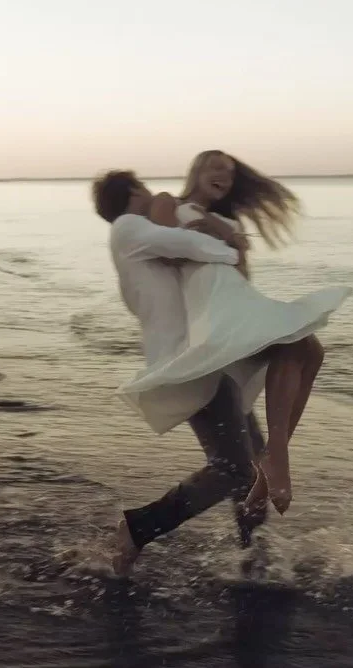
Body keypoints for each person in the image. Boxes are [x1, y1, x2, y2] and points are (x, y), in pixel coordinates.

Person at [120, 151, 351, 520]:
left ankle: (274, 457)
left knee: (311, 351)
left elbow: (240, 272)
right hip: (206, 298)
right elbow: (169, 252)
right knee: (296, 344)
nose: (224, 176)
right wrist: (222, 237)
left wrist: (222, 232)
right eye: (216, 167)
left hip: (235, 294)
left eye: (229, 172)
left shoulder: (229, 221)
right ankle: (276, 458)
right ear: (196, 170)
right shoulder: (169, 202)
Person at [93, 170, 271, 575]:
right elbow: (188, 243)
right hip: (188, 365)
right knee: (233, 467)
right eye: (144, 187)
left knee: (253, 462)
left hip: (208, 357)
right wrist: (231, 246)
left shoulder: (139, 241)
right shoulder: (128, 227)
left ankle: (253, 554)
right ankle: (139, 527)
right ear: (133, 192)